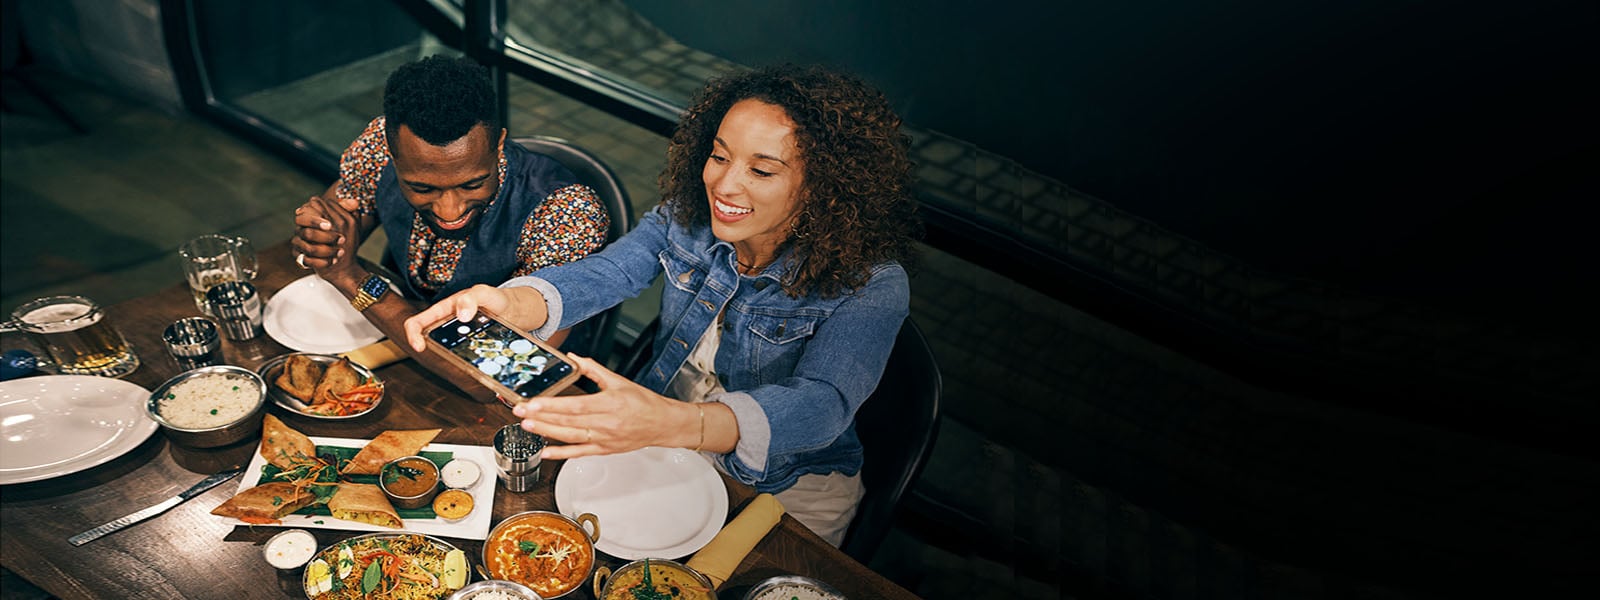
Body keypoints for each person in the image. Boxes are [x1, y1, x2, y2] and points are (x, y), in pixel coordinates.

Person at [404, 64, 920, 545]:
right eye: (719, 155)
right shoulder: (684, 219)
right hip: (661, 447)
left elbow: (822, 404)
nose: (723, 183)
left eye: (761, 171)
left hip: (786, 488)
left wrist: (679, 423)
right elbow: (608, 272)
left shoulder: (873, 284)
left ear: (823, 188)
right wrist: (510, 301)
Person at [293, 55, 608, 401]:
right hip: (400, 353)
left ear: (498, 144)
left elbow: (498, 380)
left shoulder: (566, 214)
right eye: (423, 188)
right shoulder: (376, 148)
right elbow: (331, 231)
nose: (450, 210)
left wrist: (351, 278)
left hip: (528, 403)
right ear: (390, 153)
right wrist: (320, 238)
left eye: (472, 184)